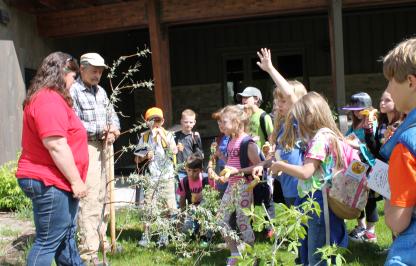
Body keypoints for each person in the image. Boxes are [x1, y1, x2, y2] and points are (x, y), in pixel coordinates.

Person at [254, 92, 348, 265]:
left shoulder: (320, 139)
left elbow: (306, 172)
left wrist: (281, 166)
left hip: (319, 203)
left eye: (299, 118)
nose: (297, 124)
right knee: (312, 252)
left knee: (317, 258)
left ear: (310, 115)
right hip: (317, 201)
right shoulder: (325, 135)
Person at [15, 52, 88, 266]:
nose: (74, 83)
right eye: (73, 77)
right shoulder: (48, 99)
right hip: (49, 180)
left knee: (65, 237)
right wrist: (76, 181)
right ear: (62, 73)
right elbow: (55, 144)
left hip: (56, 180)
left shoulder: (49, 97)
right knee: (48, 241)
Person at [70, 52, 121, 265]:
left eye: (100, 71)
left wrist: (114, 131)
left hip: (105, 146)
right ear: (82, 69)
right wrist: (103, 129)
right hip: (87, 147)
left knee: (106, 195)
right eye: (94, 70)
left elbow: (114, 116)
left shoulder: (101, 92)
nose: (98, 74)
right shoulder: (73, 91)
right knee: (90, 200)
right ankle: (88, 255)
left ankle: (103, 243)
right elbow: (73, 123)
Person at [380, 38, 416, 265]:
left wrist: (387, 200)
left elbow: (397, 221)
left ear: (411, 82)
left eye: (391, 81)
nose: (388, 90)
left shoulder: (406, 145)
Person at [257, 47, 307, 207]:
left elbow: (291, 96)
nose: (278, 105)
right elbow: (277, 156)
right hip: (288, 188)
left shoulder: (299, 121)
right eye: (276, 101)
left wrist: (270, 69)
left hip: (303, 188)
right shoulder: (281, 127)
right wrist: (263, 164)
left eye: (282, 101)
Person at [216, 105, 262, 266]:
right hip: (231, 186)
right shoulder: (230, 140)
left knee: (243, 223)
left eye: (224, 122)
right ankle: (235, 253)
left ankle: (251, 257)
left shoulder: (247, 143)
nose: (220, 125)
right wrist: (222, 158)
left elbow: (259, 166)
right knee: (220, 220)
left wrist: (237, 171)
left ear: (237, 122)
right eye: (220, 122)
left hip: (244, 187)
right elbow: (231, 162)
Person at [134, 107, 178, 247]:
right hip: (151, 177)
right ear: (147, 122)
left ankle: (163, 235)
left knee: (166, 207)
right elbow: (136, 159)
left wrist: (163, 137)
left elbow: (174, 151)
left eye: (157, 120)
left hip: (167, 176)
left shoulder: (169, 135)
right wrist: (145, 156)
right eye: (151, 121)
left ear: (163, 121)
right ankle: (146, 235)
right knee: (149, 207)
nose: (155, 124)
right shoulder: (145, 137)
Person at [342, 92, 379, 243]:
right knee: (356, 195)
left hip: (369, 165)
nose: (356, 113)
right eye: (354, 110)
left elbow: (374, 144)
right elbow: (347, 137)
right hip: (356, 165)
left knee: (370, 198)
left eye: (359, 110)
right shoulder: (354, 125)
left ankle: (370, 231)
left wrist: (356, 145)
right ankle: (360, 226)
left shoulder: (372, 123)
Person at [176, 153, 215, 238]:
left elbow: (213, 200)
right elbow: (182, 203)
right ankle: (196, 230)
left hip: (206, 212)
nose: (191, 173)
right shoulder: (184, 182)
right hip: (192, 212)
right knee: (185, 229)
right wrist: (179, 226)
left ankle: (206, 236)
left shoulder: (207, 180)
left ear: (201, 170)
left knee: (204, 207)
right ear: (185, 168)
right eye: (189, 170)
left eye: (195, 171)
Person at [174, 109, 203, 174]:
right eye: (186, 122)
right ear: (181, 121)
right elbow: (170, 152)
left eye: (191, 122)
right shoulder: (175, 136)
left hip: (192, 170)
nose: (188, 124)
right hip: (179, 170)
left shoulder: (195, 136)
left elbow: (199, 154)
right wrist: (176, 148)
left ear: (194, 123)